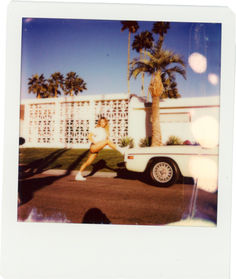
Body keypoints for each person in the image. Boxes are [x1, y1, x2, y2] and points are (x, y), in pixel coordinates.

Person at [75, 117, 124, 181]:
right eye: (101, 122)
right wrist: (94, 142)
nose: (102, 123)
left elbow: (108, 142)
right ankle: (122, 150)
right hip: (94, 147)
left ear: (106, 122)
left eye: (104, 122)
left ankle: (78, 175)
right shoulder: (97, 129)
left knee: (88, 162)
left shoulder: (106, 131)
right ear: (99, 123)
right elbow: (89, 136)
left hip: (96, 150)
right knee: (107, 141)